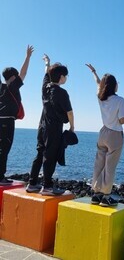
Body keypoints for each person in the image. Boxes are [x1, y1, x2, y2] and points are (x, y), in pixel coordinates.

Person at [26, 54, 73, 196]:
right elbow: (70, 112)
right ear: (61, 77)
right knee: (50, 156)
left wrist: (47, 63)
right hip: (53, 128)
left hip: (42, 127)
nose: (66, 78)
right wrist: (72, 127)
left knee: (40, 153)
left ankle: (32, 183)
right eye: (66, 76)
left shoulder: (45, 87)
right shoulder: (62, 92)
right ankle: (47, 187)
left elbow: (46, 74)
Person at [86, 64, 124, 207]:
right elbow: (122, 120)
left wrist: (94, 72)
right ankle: (106, 196)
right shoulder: (120, 100)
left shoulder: (100, 97)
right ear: (114, 85)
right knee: (110, 166)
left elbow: (98, 84)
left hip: (102, 133)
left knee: (99, 164)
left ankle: (96, 194)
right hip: (115, 134)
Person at [0, 45, 33, 185]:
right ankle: (1, 177)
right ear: (13, 77)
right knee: (4, 148)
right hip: (7, 122)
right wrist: (27, 57)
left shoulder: (1, 87)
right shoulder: (11, 87)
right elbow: (23, 73)